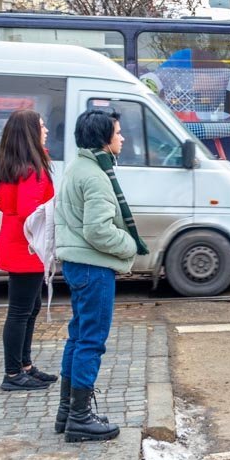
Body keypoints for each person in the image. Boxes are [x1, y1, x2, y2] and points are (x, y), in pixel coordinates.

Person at [55, 108, 149, 443]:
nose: (122, 137)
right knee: (91, 341)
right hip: (94, 267)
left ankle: (67, 412)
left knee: (77, 337)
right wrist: (130, 246)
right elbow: (98, 230)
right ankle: (80, 418)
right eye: (118, 132)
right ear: (103, 138)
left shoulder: (79, 167)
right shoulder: (95, 175)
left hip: (78, 265)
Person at [0, 109, 57, 392]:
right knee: (20, 311)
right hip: (26, 247)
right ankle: (13, 373)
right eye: (42, 126)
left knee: (30, 308)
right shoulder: (33, 170)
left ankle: (24, 366)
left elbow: (4, 204)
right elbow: (30, 212)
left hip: (17, 243)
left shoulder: (14, 166)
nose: (46, 130)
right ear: (31, 132)